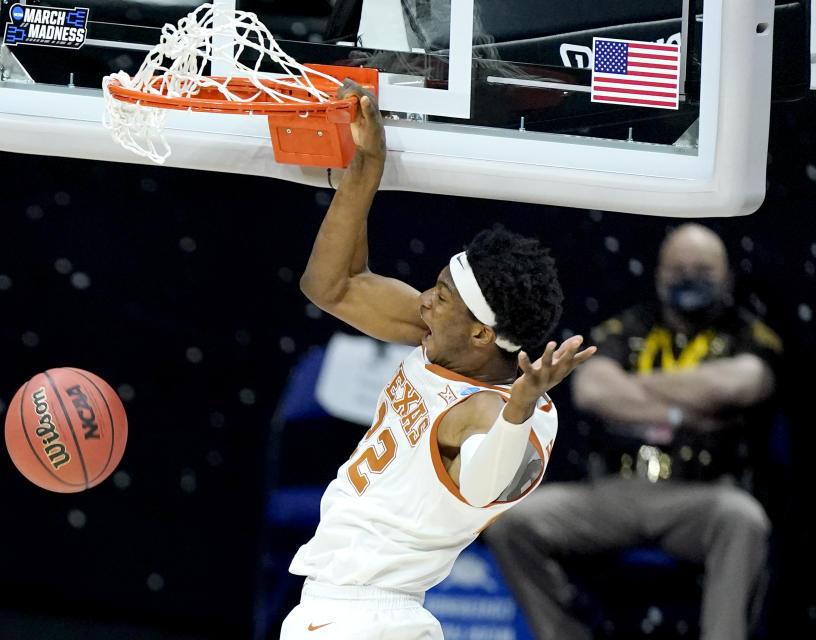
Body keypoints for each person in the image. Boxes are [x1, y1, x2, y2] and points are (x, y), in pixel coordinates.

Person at [278, 81, 596, 639]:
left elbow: (479, 484)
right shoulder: (439, 339)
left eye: (441, 295)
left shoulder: (490, 414)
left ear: (479, 332)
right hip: (356, 612)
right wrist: (367, 162)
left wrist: (517, 411)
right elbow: (332, 284)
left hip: (363, 616)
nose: (425, 299)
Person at [483, 223, 783, 640]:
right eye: (678, 268)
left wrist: (636, 389)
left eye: (702, 269)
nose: (688, 277)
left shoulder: (746, 333)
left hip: (701, 495)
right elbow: (592, 388)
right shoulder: (631, 325)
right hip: (615, 490)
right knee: (512, 522)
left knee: (744, 519)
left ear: (726, 276)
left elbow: (739, 383)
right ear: (660, 275)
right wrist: (684, 414)